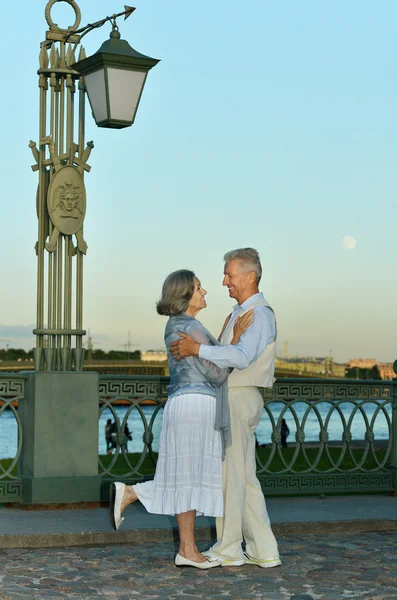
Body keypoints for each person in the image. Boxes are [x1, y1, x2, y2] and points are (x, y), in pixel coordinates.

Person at [109, 269, 253, 569]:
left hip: (184, 404)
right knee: (190, 475)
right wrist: (235, 341)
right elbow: (217, 373)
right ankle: (134, 494)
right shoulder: (190, 327)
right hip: (196, 404)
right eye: (199, 287)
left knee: (186, 475)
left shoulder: (180, 325)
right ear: (185, 295)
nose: (205, 292)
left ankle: (187, 550)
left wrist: (221, 345)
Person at [170, 248, 281, 568]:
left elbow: (241, 357)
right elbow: (228, 352)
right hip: (235, 396)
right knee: (244, 477)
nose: (224, 281)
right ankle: (264, 549)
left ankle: (230, 547)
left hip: (237, 397)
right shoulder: (240, 314)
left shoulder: (258, 314)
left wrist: (196, 347)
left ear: (250, 276)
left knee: (230, 478)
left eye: (230, 275)